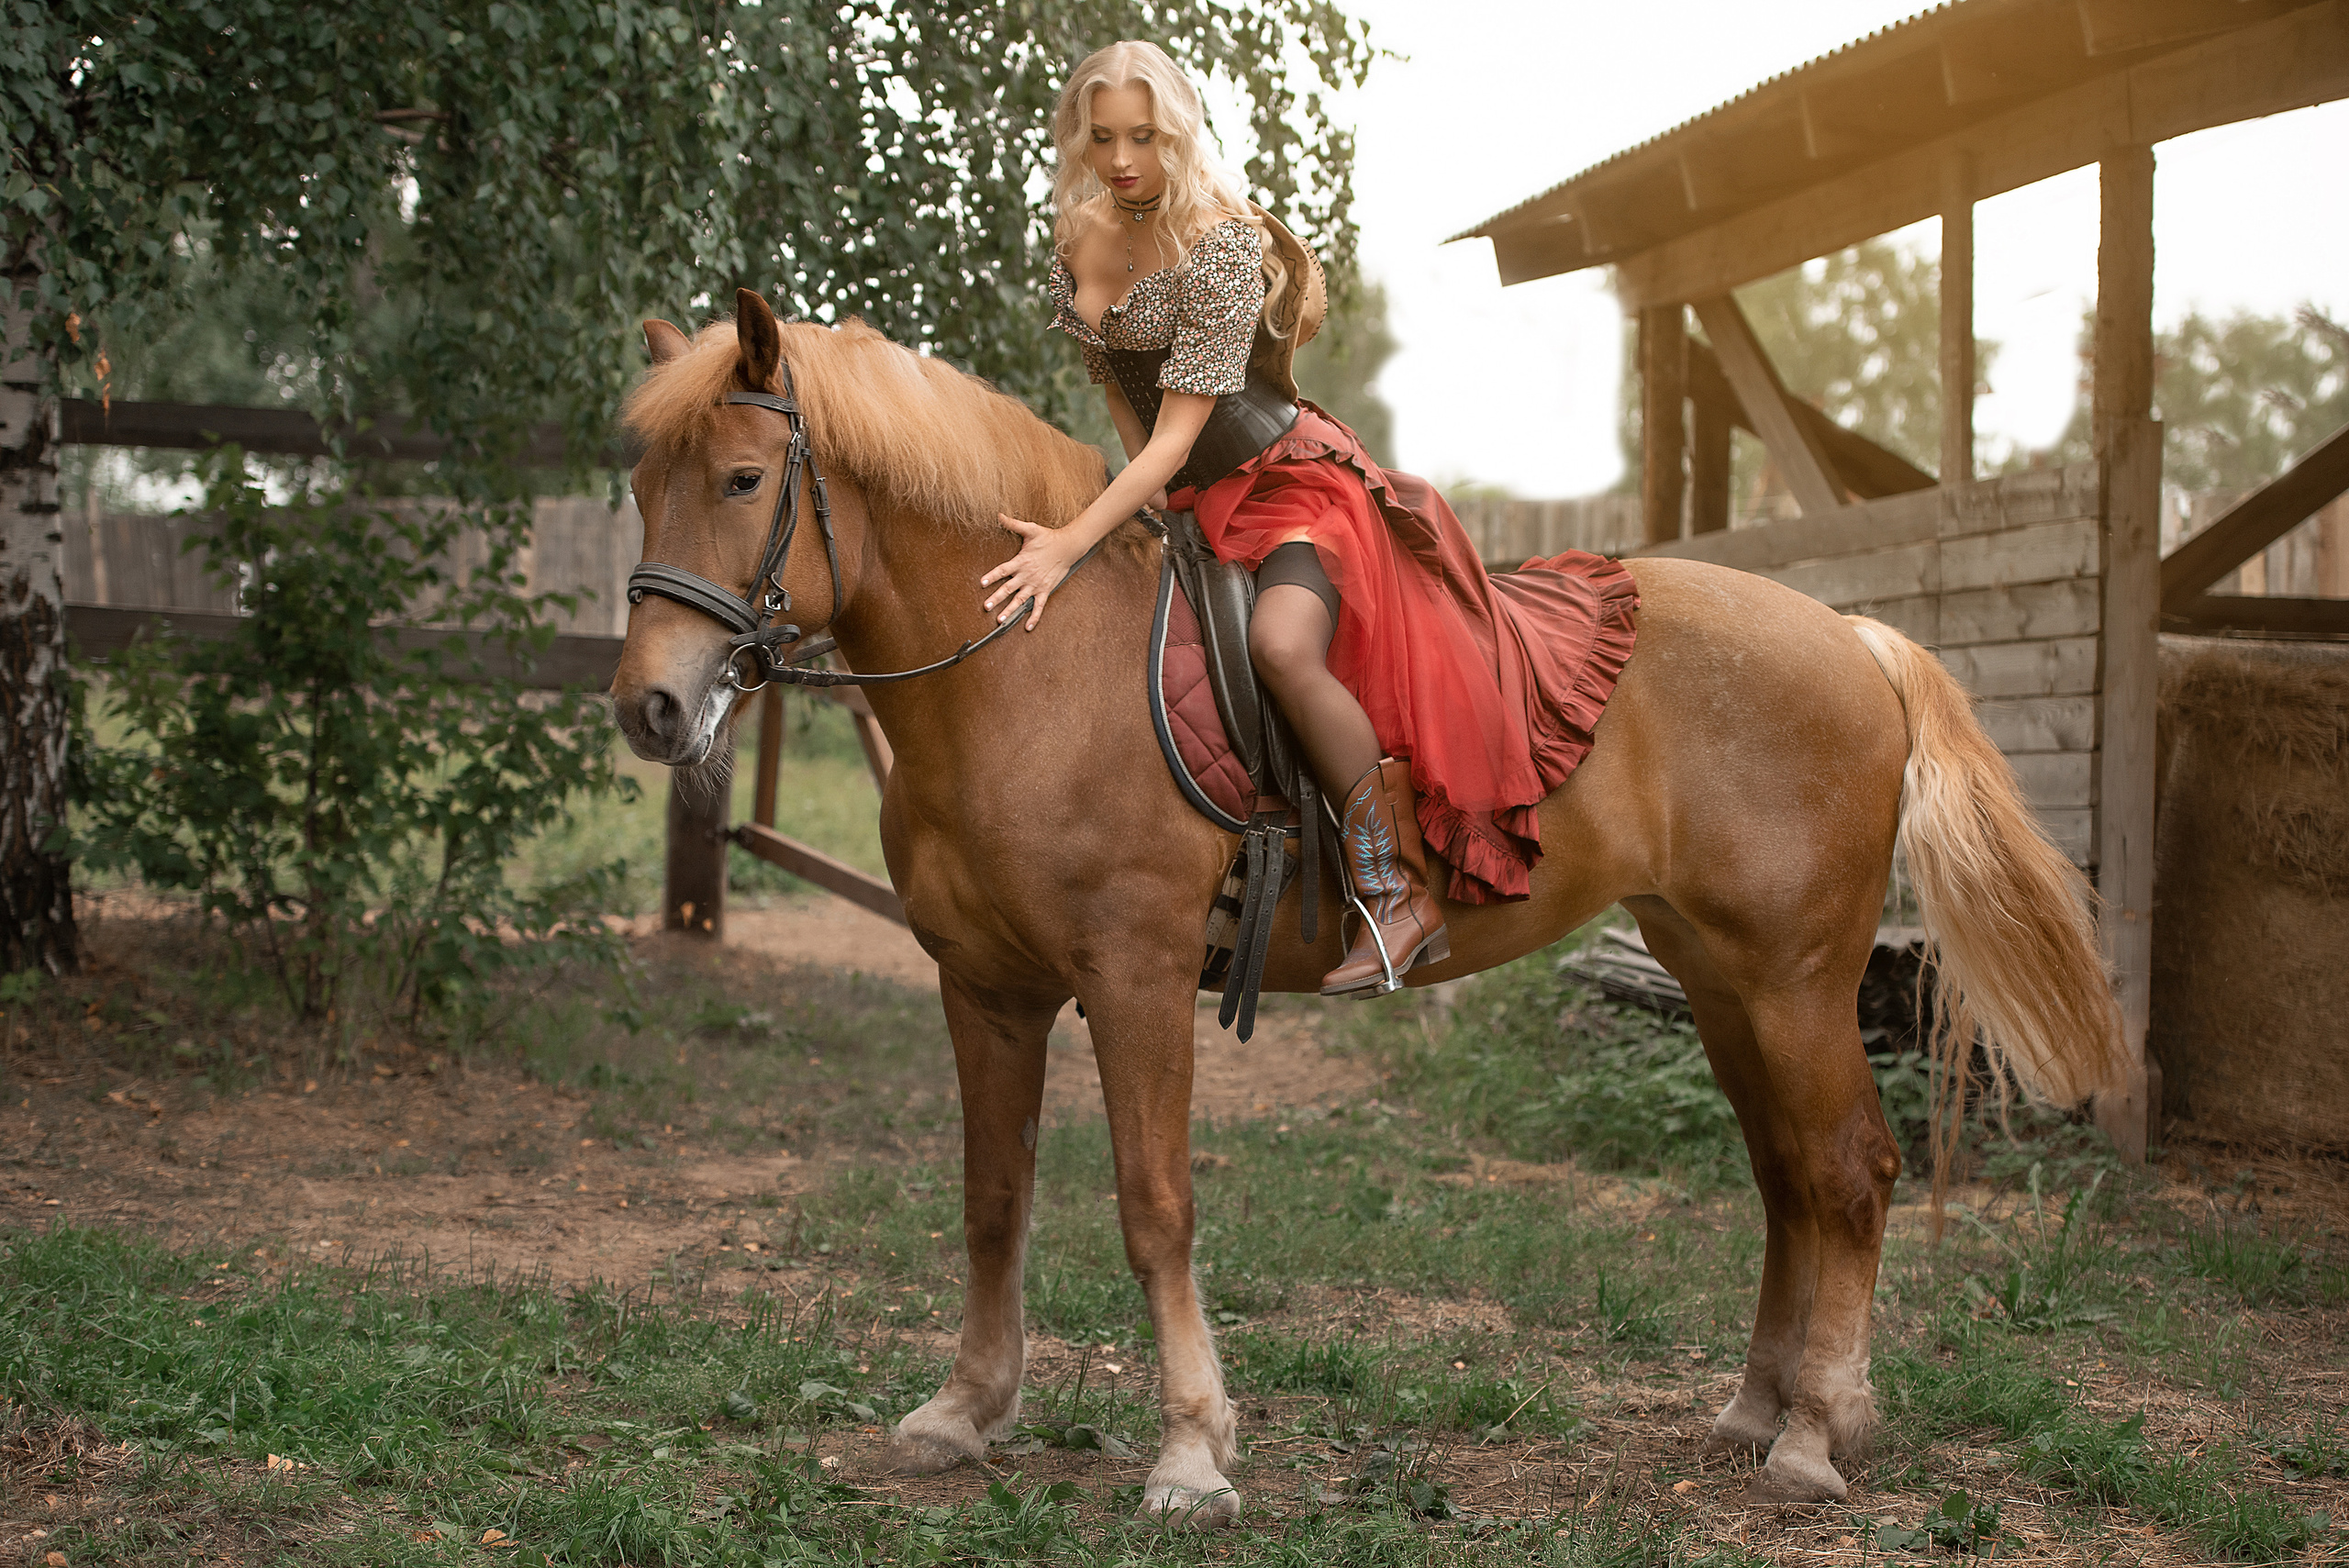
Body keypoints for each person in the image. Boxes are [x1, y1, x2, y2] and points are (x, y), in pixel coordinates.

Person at [983, 39, 1637, 998]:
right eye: (1104, 137)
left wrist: (1071, 540)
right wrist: (1151, 518)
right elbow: (1123, 398)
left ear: (1179, 132)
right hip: (1194, 498)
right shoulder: (1079, 238)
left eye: (1145, 137)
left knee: (1283, 644)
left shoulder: (1220, 243)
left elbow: (1175, 437)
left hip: (1290, 484)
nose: (1123, 159)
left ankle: (1395, 889)